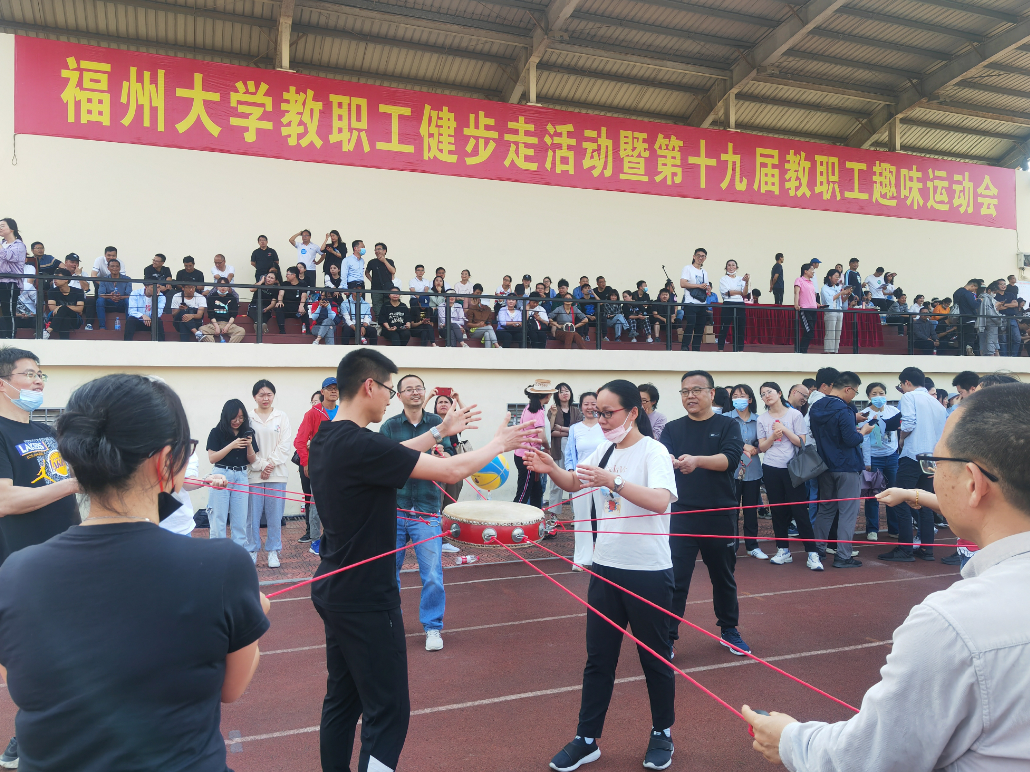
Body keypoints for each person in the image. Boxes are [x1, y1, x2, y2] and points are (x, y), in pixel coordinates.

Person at [745, 383, 1030, 771]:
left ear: (972, 482)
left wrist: (790, 740)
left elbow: (872, 758)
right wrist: (914, 494)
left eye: (935, 462)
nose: (932, 473)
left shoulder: (951, 625)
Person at [0, 373, 270, 772]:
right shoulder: (223, 566)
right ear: (165, 461)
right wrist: (253, 615)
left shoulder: (15, 573)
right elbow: (231, 689)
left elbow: (20, 676)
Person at [307, 348, 534, 772]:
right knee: (388, 711)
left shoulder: (328, 437)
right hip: (366, 597)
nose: (391, 398)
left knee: (343, 699)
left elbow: (392, 453)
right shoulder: (362, 444)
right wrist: (499, 444)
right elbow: (451, 472)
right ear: (369, 386)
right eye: (389, 389)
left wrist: (439, 431)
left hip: (335, 588)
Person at [523, 380, 679, 772]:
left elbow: (661, 500)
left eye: (608, 413)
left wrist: (615, 482)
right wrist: (551, 467)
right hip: (606, 568)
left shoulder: (654, 451)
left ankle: (662, 732)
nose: (601, 419)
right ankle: (586, 738)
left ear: (633, 412)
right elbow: (576, 483)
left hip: (647, 571)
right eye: (595, 412)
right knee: (599, 659)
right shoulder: (603, 450)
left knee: (655, 658)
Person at [660, 370, 749, 656]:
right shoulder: (672, 428)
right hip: (681, 514)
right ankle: (667, 637)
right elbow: (661, 460)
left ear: (711, 393)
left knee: (723, 576)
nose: (690, 396)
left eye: (696, 390)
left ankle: (729, 630)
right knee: (675, 579)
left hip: (719, 513)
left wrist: (698, 461)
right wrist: (668, 460)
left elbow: (730, 460)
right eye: (685, 391)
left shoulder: (728, 425)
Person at [380, 376, 465, 653]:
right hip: (395, 510)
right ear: (399, 395)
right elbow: (383, 463)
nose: (415, 392)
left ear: (424, 393)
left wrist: (442, 456)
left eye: (419, 388)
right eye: (409, 389)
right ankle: (390, 623)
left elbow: (451, 457)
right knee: (388, 573)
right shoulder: (389, 426)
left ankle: (432, 626)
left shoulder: (438, 423)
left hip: (428, 510)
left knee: (432, 574)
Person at [879, 367, 948, 563]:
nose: (901, 388)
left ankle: (905, 548)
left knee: (900, 500)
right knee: (925, 502)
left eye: (901, 385)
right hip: (931, 457)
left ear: (907, 382)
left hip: (912, 455)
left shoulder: (909, 397)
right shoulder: (937, 404)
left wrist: (901, 439)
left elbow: (908, 423)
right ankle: (927, 548)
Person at [808, 371, 874, 568]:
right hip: (847, 465)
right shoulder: (844, 410)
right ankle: (843, 555)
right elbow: (851, 439)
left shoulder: (816, 407)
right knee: (848, 511)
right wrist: (863, 431)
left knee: (826, 509)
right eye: (855, 392)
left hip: (824, 465)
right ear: (847, 389)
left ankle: (817, 550)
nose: (854, 396)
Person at [756, 382, 820, 569]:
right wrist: (772, 437)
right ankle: (783, 550)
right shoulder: (762, 419)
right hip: (771, 467)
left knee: (799, 510)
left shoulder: (795, 415)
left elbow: (801, 442)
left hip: (793, 468)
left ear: (779, 393)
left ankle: (812, 552)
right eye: (763, 394)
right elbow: (762, 447)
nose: (766, 396)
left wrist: (784, 429)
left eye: (769, 392)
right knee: (777, 511)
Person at [247, 380, 292, 568]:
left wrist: (270, 465)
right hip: (254, 474)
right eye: (261, 395)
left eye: (269, 394)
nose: (265, 398)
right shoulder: (248, 418)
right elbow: (247, 445)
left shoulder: (281, 417)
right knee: (252, 517)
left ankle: (273, 551)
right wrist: (261, 466)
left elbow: (285, 445)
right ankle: (252, 549)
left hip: (277, 474)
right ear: (254, 397)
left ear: (273, 395)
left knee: (275, 516)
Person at [294, 377, 338, 555]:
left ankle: (333, 538)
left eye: (336, 388)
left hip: (339, 465)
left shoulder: (343, 411)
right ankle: (315, 540)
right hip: (319, 465)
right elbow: (300, 441)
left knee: (338, 503)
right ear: (322, 392)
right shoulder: (313, 413)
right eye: (330, 388)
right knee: (317, 503)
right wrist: (306, 462)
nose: (333, 391)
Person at [206, 399, 256, 549]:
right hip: (221, 474)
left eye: (241, 418)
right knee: (218, 518)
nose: (237, 421)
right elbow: (212, 458)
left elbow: (252, 460)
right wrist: (231, 445)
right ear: (227, 416)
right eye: (234, 417)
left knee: (240, 520)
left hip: (241, 475)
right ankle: (218, 554)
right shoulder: (216, 432)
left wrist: (249, 445)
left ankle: (238, 555)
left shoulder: (247, 432)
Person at [858, 382, 900, 540]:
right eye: (874, 394)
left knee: (893, 493)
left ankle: (894, 528)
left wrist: (896, 451)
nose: (878, 397)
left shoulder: (894, 411)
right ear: (868, 396)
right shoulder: (864, 414)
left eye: (881, 393)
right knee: (873, 494)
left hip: (892, 456)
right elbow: (864, 439)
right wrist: (867, 461)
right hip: (874, 458)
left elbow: (898, 433)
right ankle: (872, 529)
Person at [730, 384, 765, 560]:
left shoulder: (759, 420)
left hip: (752, 470)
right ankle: (732, 545)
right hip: (732, 470)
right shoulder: (725, 419)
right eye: (735, 396)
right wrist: (744, 446)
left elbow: (763, 443)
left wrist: (755, 449)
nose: (739, 399)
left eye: (742, 396)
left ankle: (752, 545)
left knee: (751, 509)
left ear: (750, 399)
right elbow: (724, 441)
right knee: (732, 509)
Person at [514, 379, 554, 510]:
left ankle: (536, 517)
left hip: (523, 454)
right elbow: (542, 437)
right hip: (528, 456)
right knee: (523, 493)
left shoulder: (529, 408)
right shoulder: (538, 411)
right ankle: (513, 517)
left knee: (536, 491)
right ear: (547, 395)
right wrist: (548, 448)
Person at [432, 390, 466, 516]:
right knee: (436, 504)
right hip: (434, 468)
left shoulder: (455, 422)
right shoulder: (430, 422)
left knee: (450, 505)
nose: (443, 404)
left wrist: (458, 399)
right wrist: (429, 396)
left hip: (453, 467)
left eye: (446, 402)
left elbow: (466, 415)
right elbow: (416, 417)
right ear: (435, 406)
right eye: (440, 402)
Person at [547, 383, 581, 509]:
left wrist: (560, 429)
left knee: (574, 479)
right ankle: (553, 514)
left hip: (573, 448)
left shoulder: (576, 411)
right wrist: (554, 415)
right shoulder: (552, 410)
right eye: (561, 392)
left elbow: (578, 431)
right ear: (557, 395)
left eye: (567, 391)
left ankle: (576, 513)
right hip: (557, 448)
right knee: (556, 482)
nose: (565, 393)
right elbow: (549, 431)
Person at [679, 247, 711, 351]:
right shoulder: (687, 268)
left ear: (705, 258)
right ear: (694, 256)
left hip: (702, 303)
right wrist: (698, 286)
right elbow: (683, 284)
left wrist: (708, 289)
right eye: (698, 256)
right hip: (690, 302)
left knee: (700, 327)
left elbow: (706, 286)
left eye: (703, 256)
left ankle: (696, 348)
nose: (700, 258)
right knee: (690, 324)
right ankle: (685, 346)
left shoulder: (704, 272)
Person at [0, 219, 27, 340]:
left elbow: (9, 256)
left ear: (12, 229)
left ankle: (10, 337)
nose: (0, 228)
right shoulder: (2, 244)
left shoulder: (19, 245)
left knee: (8, 311)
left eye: (2, 226)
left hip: (10, 282)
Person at [200, 278, 245, 343]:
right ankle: (213, 346)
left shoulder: (232, 298)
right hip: (214, 324)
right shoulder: (211, 297)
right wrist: (216, 327)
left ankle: (228, 347)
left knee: (241, 331)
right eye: (220, 285)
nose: (223, 288)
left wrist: (227, 327)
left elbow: (233, 315)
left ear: (228, 287)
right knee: (201, 329)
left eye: (225, 285)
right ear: (217, 287)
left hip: (228, 324)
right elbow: (211, 315)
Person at [43, 268, 85, 339]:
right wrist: (65, 308)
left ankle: (48, 330)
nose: (55, 280)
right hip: (56, 317)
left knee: (64, 309)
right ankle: (64, 341)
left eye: (58, 277)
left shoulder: (78, 292)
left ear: (66, 279)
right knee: (66, 319)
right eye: (54, 277)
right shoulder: (52, 291)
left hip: (74, 320)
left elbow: (80, 309)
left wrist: (61, 307)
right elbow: (52, 308)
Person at [718, 259, 748, 352]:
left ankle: (739, 349)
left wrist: (747, 282)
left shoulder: (741, 279)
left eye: (733, 265)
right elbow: (727, 293)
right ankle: (720, 349)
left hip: (740, 304)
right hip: (728, 303)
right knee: (724, 327)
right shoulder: (723, 279)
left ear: (736, 267)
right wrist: (739, 292)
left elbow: (745, 293)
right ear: (726, 267)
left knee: (740, 328)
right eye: (729, 265)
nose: (731, 267)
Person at [95, 258, 132, 330]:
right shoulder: (104, 279)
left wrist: (120, 297)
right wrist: (110, 296)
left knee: (128, 300)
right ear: (108, 268)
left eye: (117, 266)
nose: (115, 268)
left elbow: (129, 295)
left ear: (120, 268)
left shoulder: (127, 279)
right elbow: (101, 294)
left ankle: (129, 326)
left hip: (121, 303)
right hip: (109, 303)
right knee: (100, 300)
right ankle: (102, 327)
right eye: (112, 266)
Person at [820, 269, 850, 354]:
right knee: (830, 332)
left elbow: (842, 300)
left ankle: (835, 350)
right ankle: (829, 351)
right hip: (830, 311)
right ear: (829, 277)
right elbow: (829, 300)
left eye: (838, 277)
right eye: (836, 277)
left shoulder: (838, 287)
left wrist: (847, 294)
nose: (837, 279)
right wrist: (840, 293)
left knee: (838, 332)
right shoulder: (825, 288)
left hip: (839, 310)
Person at [794, 262, 818, 353]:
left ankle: (802, 350)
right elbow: (796, 292)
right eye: (811, 270)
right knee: (809, 331)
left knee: (810, 331)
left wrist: (816, 303)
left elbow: (811, 295)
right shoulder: (799, 280)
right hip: (805, 309)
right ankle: (801, 351)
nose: (813, 272)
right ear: (805, 271)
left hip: (813, 309)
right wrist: (796, 304)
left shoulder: (811, 282)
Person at [953, 278, 982, 355]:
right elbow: (974, 305)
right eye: (975, 289)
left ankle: (961, 354)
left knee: (961, 339)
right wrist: (979, 300)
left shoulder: (957, 292)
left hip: (959, 319)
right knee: (970, 337)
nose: (974, 291)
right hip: (969, 319)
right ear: (972, 285)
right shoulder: (968, 294)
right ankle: (969, 349)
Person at [977, 279, 1004, 357]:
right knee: (990, 340)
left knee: (989, 341)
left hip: (984, 322)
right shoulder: (986, 298)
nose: (994, 294)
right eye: (994, 292)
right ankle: (991, 355)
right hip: (990, 321)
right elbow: (990, 311)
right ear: (989, 290)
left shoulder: (983, 298)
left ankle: (992, 355)